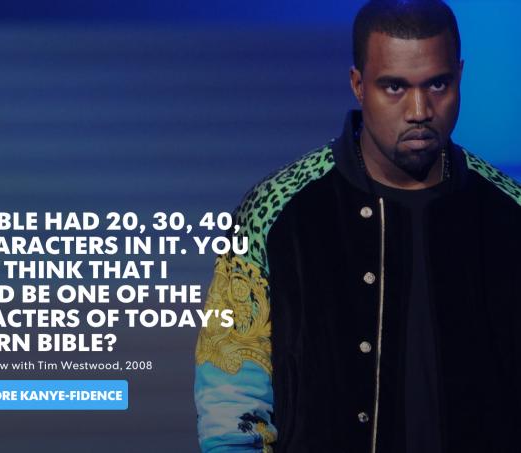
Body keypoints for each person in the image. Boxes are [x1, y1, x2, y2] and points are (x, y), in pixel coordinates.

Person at [194, 0, 521, 451]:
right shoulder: (275, 211)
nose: (419, 110)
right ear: (358, 85)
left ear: (460, 77)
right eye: (394, 87)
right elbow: (230, 393)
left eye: (437, 84)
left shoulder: (508, 212)